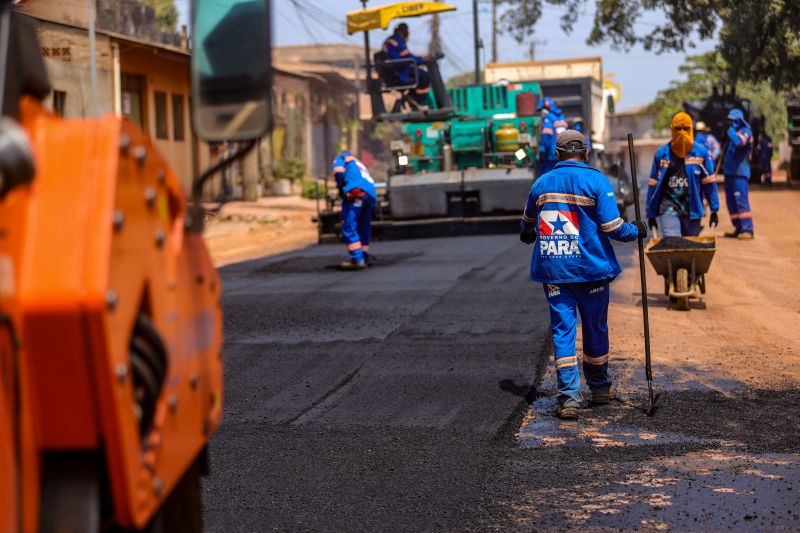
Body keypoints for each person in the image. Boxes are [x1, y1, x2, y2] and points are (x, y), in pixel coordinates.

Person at [519, 130, 647, 420]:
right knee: (595, 328)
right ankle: (600, 389)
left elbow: (527, 222)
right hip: (591, 271)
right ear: (586, 153)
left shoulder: (541, 183)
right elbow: (614, 228)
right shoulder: (597, 181)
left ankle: (568, 399)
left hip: (555, 272)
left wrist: (527, 234)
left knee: (563, 332)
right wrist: (637, 230)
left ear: (558, 154)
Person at [646, 112, 720, 237]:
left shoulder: (700, 153)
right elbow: (653, 185)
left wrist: (714, 209)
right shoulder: (662, 154)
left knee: (689, 247)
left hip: (693, 209)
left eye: (686, 129)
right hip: (668, 208)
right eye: (678, 129)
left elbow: (709, 184)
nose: (681, 132)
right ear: (672, 130)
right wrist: (651, 213)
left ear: (691, 129)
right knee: (673, 243)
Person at [332, 150, 377, 270]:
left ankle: (357, 259)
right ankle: (364, 256)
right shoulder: (357, 162)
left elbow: (338, 172)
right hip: (370, 193)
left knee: (349, 226)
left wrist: (341, 189)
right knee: (364, 226)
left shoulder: (341, 159)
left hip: (356, 193)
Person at [722, 108, 755, 239]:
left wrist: (730, 132)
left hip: (740, 174)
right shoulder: (733, 134)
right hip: (729, 173)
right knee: (731, 202)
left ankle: (747, 229)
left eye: (732, 120)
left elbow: (739, 142)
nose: (730, 123)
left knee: (741, 201)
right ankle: (738, 227)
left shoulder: (746, 132)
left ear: (739, 120)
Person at [383, 23, 430, 106]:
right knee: (424, 76)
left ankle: (411, 98)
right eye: (407, 31)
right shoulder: (398, 41)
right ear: (403, 31)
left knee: (419, 74)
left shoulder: (389, 41)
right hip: (400, 72)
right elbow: (408, 57)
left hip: (393, 71)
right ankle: (416, 100)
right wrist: (422, 59)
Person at [537, 97, 568, 176]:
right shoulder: (562, 118)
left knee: (545, 179)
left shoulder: (548, 118)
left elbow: (546, 136)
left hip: (551, 156)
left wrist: (543, 151)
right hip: (564, 154)